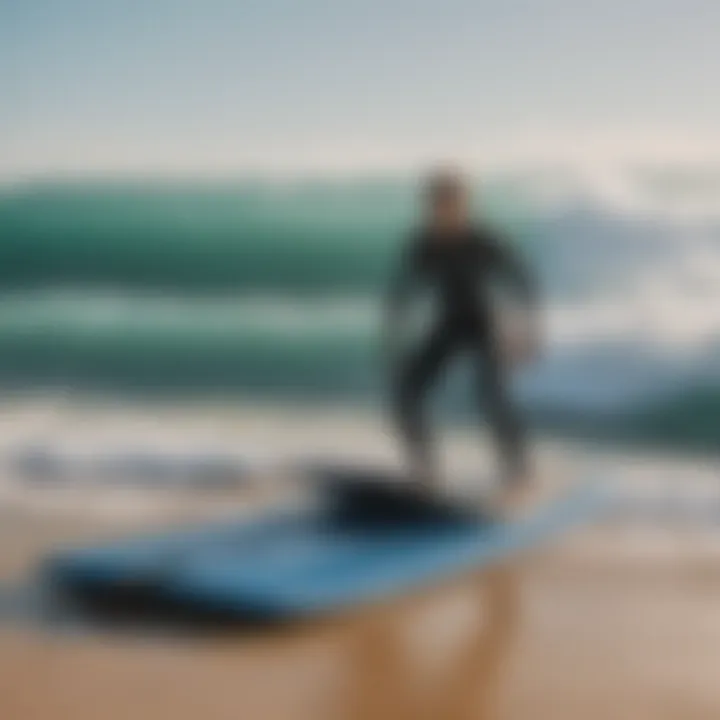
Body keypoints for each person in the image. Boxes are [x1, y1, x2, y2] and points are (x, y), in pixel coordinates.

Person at [383, 168, 539, 509]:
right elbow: (402, 293)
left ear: (464, 204)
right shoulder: (424, 244)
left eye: (451, 203)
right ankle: (425, 472)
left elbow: (522, 280)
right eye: (436, 204)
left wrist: (526, 330)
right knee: (407, 391)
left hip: (484, 326)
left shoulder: (481, 240)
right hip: (451, 325)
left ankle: (518, 472)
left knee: (491, 399)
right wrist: (392, 340)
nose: (443, 210)